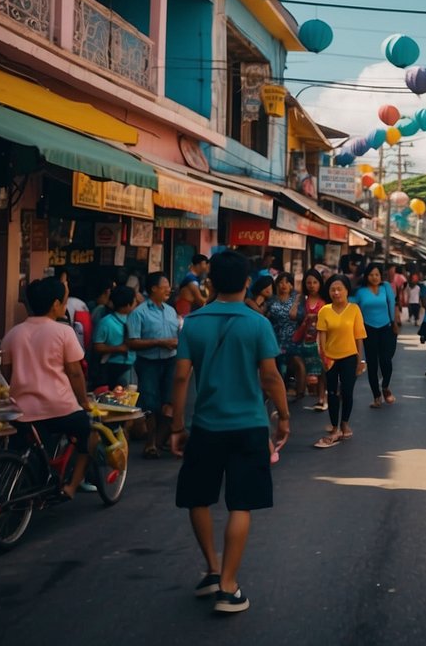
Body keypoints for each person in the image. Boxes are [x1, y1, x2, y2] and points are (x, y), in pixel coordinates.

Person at [170, 250, 289, 614]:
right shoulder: (257, 324)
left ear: (210, 282)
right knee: (241, 504)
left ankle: (212, 568)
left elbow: (180, 377)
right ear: (248, 283)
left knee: (198, 497)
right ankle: (228, 586)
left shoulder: (194, 323)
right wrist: (283, 416)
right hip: (250, 425)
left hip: (206, 424)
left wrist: (176, 425)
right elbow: (269, 376)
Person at [0, 277, 95, 500]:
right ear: (55, 305)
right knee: (89, 435)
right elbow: (74, 373)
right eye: (64, 301)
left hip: (21, 411)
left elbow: (6, 372)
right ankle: (72, 486)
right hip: (59, 408)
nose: (65, 306)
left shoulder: (13, 334)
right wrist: (84, 403)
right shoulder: (63, 332)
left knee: (25, 445)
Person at [126, 273, 181, 460]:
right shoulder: (138, 313)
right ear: (153, 289)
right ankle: (150, 442)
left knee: (169, 401)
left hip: (170, 359)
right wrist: (159, 342)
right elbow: (132, 342)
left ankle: (157, 442)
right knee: (150, 403)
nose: (169, 289)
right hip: (147, 361)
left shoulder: (171, 311)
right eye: (164, 285)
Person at [315, 275, 367, 448]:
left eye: (339, 289)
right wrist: (323, 356)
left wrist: (360, 360)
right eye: (332, 289)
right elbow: (321, 335)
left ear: (346, 291)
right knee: (332, 392)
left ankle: (345, 422)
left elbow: (359, 337)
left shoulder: (354, 309)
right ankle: (335, 427)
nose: (336, 292)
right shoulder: (324, 311)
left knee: (347, 391)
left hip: (349, 356)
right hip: (330, 357)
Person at [353, 262, 399, 408]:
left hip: (386, 327)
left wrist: (394, 322)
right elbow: (353, 308)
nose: (374, 277)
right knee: (372, 363)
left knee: (386, 360)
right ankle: (376, 396)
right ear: (366, 276)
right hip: (368, 329)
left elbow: (392, 303)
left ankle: (385, 386)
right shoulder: (361, 292)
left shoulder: (386, 288)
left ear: (381, 276)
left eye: (377, 274)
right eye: (371, 275)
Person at [266, 273, 306, 401]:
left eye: (287, 282)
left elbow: (299, 316)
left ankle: (300, 392)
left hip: (293, 336)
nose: (284, 285)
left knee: (297, 362)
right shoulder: (272, 299)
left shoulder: (297, 298)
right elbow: (267, 315)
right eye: (281, 282)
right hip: (276, 335)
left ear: (292, 285)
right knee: (277, 366)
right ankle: (279, 391)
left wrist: (294, 305)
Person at [292, 269, 328, 411]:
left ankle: (322, 397)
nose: (312, 285)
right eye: (309, 283)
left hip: (320, 339)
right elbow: (292, 315)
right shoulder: (302, 301)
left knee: (321, 368)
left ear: (320, 284)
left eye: (315, 282)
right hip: (305, 339)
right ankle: (306, 391)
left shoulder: (324, 301)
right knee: (308, 367)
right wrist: (296, 301)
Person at [92, 286, 138, 388]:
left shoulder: (135, 320)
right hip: (112, 365)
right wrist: (117, 348)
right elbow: (97, 346)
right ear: (128, 305)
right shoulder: (106, 322)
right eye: (134, 301)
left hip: (132, 364)